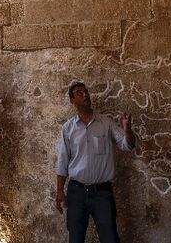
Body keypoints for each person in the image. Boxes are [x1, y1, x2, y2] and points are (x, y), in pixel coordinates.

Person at [55, 81, 135, 243]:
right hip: (76, 192)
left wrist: (127, 130)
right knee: (75, 238)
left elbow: (128, 145)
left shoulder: (106, 123)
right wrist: (60, 191)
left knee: (110, 238)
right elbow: (62, 161)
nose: (85, 94)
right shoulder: (68, 129)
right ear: (72, 100)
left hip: (102, 194)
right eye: (79, 93)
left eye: (86, 92)